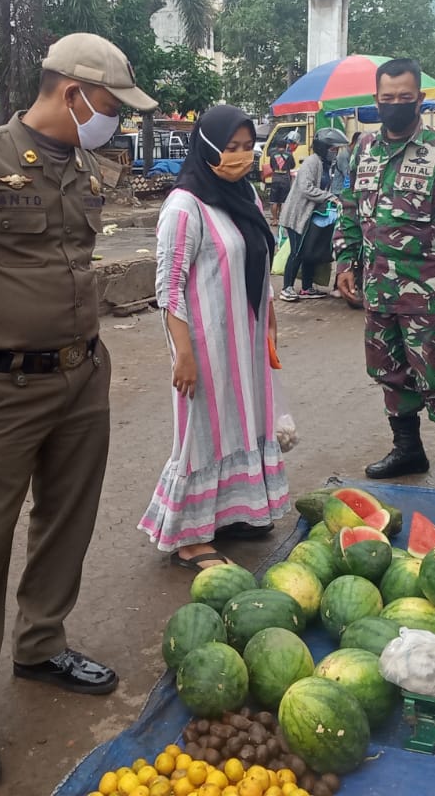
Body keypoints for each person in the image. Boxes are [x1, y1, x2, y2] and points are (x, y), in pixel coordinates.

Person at [0, 33, 157, 787]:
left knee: (68, 519)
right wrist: (8, 324)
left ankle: (42, 643)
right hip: (3, 385)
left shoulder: (88, 168)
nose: (113, 119)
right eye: (110, 106)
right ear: (71, 93)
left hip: (82, 374)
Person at [140, 105, 288, 570]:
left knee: (243, 423)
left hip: (244, 339)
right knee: (202, 434)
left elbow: (259, 256)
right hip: (204, 344)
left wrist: (268, 318)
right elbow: (169, 287)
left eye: (247, 147)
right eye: (231, 147)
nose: (241, 156)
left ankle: (237, 513)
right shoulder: (185, 206)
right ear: (206, 147)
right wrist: (182, 355)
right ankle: (188, 537)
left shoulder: (244, 195)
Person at [334, 58, 435, 490]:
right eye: (387, 98)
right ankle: (407, 449)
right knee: (388, 370)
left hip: (428, 289)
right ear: (376, 100)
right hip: (378, 288)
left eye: (404, 97)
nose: (395, 104)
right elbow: (348, 210)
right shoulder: (361, 149)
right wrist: (345, 262)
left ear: (419, 99)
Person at [280, 127, 345, 302]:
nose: (335, 153)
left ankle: (307, 288)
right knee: (297, 252)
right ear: (323, 148)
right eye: (333, 149)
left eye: (336, 150)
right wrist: (330, 196)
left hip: (309, 217)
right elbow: (306, 188)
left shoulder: (327, 165)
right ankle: (287, 288)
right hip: (297, 215)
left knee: (309, 252)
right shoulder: (312, 162)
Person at [267, 134, 297, 226]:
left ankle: (275, 220)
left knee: (274, 200)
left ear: (277, 146)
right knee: (284, 201)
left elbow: (271, 166)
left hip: (275, 178)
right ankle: (283, 220)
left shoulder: (272, 155)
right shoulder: (289, 155)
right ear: (286, 146)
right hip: (285, 179)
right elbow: (293, 166)